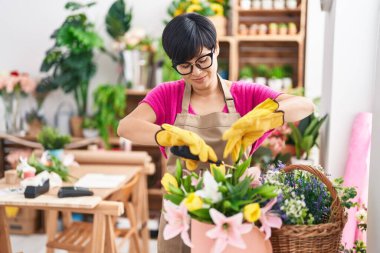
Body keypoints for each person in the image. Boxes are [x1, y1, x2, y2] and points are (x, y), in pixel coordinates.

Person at [117, 13, 314, 253]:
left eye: (203, 60)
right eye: (185, 66)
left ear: (216, 48)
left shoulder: (245, 94)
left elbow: (305, 106)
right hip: (181, 215)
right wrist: (168, 135)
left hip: (231, 214)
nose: (196, 72)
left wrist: (261, 118)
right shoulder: (168, 94)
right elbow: (126, 127)